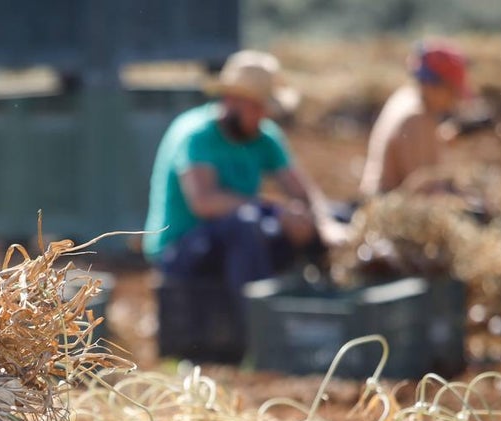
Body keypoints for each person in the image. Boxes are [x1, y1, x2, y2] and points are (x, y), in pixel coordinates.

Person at [142, 49, 342, 359]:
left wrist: (322, 223)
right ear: (233, 100)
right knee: (248, 224)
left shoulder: (264, 136)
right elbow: (204, 203)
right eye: (258, 107)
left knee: (328, 216)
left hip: (238, 239)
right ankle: (258, 340)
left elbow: (302, 191)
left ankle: (323, 318)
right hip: (182, 249)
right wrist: (276, 211)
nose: (264, 116)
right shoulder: (196, 135)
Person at [359, 39, 471, 199]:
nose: (455, 101)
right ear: (435, 86)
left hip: (377, 201)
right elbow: (422, 188)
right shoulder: (416, 118)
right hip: (386, 207)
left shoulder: (405, 96)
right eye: (452, 91)